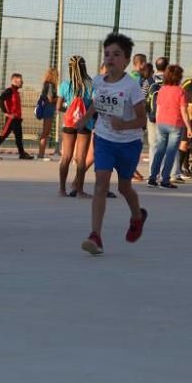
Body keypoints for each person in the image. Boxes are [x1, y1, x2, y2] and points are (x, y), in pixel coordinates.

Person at [73, 33, 147, 256]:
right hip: (104, 138)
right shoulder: (98, 81)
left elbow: (142, 119)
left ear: (126, 60)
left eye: (116, 54)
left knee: (124, 187)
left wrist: (123, 125)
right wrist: (85, 118)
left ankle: (137, 216)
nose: (110, 58)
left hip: (128, 142)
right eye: (107, 54)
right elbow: (98, 101)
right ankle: (95, 235)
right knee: (100, 184)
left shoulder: (132, 86)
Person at [147, 64, 192, 189]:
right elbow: (184, 111)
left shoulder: (162, 89)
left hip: (161, 123)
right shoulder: (180, 91)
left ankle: (152, 178)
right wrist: (189, 127)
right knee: (171, 153)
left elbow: (159, 108)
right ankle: (165, 179)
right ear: (178, 77)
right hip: (175, 124)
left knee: (159, 151)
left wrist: (158, 122)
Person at [57, 55, 95, 197]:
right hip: (85, 124)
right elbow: (94, 105)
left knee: (66, 157)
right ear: (84, 67)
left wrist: (69, 109)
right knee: (81, 158)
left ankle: (62, 189)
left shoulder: (65, 85)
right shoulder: (90, 85)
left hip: (69, 123)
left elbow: (59, 106)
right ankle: (79, 190)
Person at [0, 73, 33, 161]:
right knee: (3, 135)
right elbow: (0, 99)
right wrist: (5, 112)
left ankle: (22, 153)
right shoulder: (10, 90)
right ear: (15, 81)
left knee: (19, 137)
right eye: (20, 81)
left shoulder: (16, 92)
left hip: (17, 119)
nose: (22, 82)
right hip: (11, 119)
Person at [144, 56, 168, 165]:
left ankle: (152, 174)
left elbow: (142, 98)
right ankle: (164, 173)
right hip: (167, 118)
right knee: (165, 145)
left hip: (152, 116)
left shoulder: (149, 81)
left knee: (153, 145)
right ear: (167, 67)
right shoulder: (171, 81)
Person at [36, 67, 59, 160]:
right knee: (45, 132)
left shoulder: (46, 84)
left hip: (47, 108)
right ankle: (41, 154)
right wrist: (60, 98)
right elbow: (50, 99)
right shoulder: (50, 85)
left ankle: (41, 153)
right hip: (48, 109)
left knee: (46, 132)